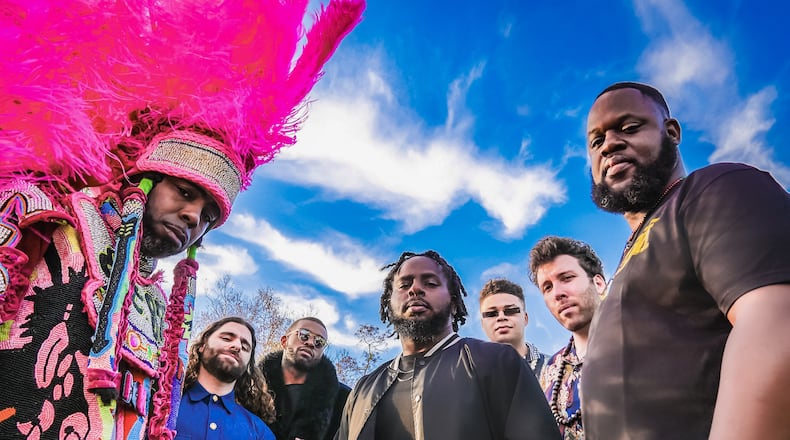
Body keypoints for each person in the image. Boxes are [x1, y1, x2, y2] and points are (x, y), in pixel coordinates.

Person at [0, 1, 364, 438]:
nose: (193, 217)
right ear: (148, 182)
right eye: (186, 194)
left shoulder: (157, 306)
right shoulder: (40, 215)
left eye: (209, 216)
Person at [582, 81, 790, 439]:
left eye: (629, 128)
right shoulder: (627, 259)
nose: (610, 144)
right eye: (596, 141)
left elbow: (775, 322)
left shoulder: (715, 188)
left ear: (671, 131)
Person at [335, 250, 561, 440]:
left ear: (454, 303)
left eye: (430, 283)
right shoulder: (362, 390)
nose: (414, 289)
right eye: (404, 284)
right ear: (388, 302)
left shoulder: (496, 362)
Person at [528, 236, 605, 440]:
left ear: (598, 283)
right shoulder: (551, 370)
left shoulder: (643, 340)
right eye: (547, 287)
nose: (557, 293)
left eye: (567, 278)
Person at [177, 317, 276, 440]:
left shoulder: (259, 432)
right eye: (226, 338)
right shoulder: (162, 405)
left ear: (247, 365)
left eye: (245, 347)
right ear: (202, 346)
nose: (237, 346)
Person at [259, 317, 350, 440]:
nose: (311, 343)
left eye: (319, 342)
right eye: (304, 335)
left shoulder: (344, 400)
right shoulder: (249, 391)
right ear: (284, 341)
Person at [478, 278, 547, 376]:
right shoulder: (472, 377)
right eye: (491, 314)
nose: (501, 317)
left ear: (525, 318)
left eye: (510, 311)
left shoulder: (555, 369)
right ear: (482, 324)